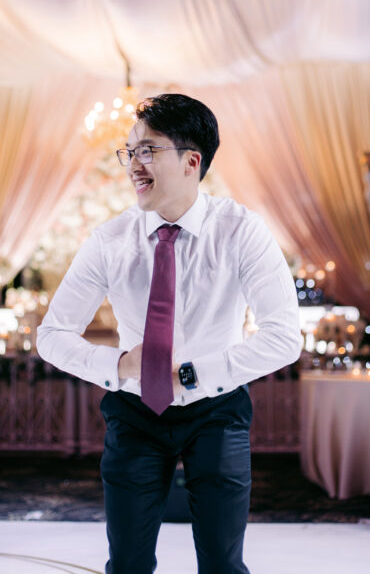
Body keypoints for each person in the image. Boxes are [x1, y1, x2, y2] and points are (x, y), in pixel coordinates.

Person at [37, 93, 302, 574]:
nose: (133, 165)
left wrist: (194, 374)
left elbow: (284, 337)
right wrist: (120, 365)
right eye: (130, 152)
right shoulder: (109, 241)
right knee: (128, 563)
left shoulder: (242, 232)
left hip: (218, 409)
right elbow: (52, 334)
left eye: (148, 150)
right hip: (135, 410)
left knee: (223, 563)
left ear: (191, 161)